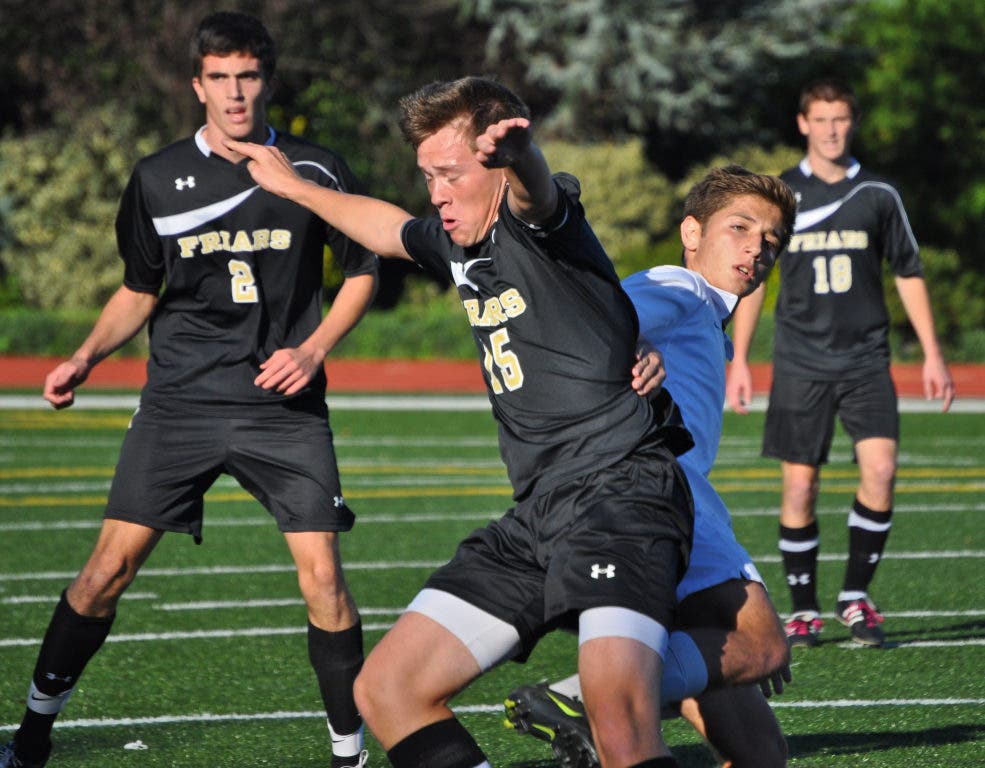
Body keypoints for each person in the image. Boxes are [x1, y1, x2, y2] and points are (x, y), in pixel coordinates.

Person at [231, 76, 696, 767]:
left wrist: (522, 154)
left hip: (619, 496)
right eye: (427, 177)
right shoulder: (456, 240)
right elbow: (386, 230)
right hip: (538, 514)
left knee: (617, 718)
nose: (437, 194)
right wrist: (295, 187)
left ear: (496, 167)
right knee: (388, 689)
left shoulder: (534, 224)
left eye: (449, 175)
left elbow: (539, 194)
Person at [0, 12, 378, 768]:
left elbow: (364, 269)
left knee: (325, 580)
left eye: (248, 77)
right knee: (105, 573)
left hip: (282, 407)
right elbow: (140, 289)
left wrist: (312, 349)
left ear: (265, 80)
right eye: (220, 79)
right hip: (180, 400)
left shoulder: (317, 168)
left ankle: (349, 754)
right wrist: (84, 356)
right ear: (197, 85)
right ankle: (34, 734)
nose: (236, 94)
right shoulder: (155, 177)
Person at [503, 166, 796, 768]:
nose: (756, 248)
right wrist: (630, 337)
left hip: (664, 492)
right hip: (666, 484)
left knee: (762, 752)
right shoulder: (681, 287)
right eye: (739, 228)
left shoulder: (709, 315)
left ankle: (611, 706)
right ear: (692, 232)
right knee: (764, 644)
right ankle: (578, 699)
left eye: (771, 241)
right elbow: (599, 315)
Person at [726, 78, 955, 648]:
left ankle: (855, 597)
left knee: (880, 470)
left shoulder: (879, 192)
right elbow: (755, 279)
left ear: (852, 123)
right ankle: (802, 611)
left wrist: (932, 354)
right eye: (821, 120)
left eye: (841, 120)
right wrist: (740, 359)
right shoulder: (779, 197)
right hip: (800, 361)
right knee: (799, 488)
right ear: (803, 124)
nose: (831, 130)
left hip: (865, 359)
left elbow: (908, 272)